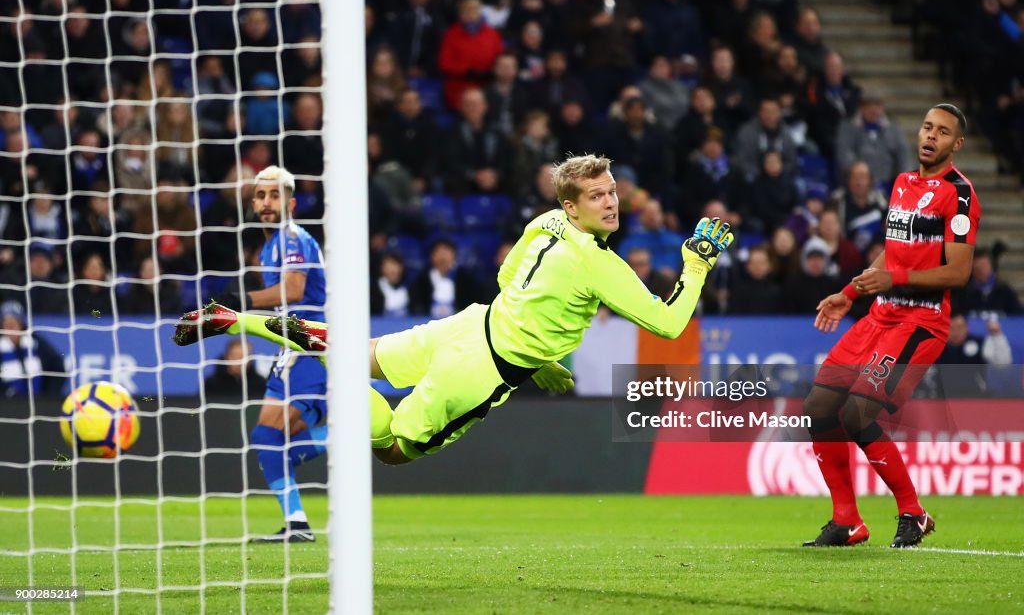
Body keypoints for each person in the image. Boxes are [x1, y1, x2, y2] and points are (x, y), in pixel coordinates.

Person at [175, 155, 734, 469]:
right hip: (484, 370)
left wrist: (538, 345)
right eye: (596, 196)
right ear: (573, 205)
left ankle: (239, 321)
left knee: (363, 355)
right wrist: (695, 265)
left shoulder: (544, 223)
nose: (610, 202)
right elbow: (667, 322)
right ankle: (328, 375)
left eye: (612, 191)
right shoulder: (602, 266)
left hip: (472, 322)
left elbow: (506, 278)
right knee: (393, 449)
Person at [802, 104, 980, 548]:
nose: (930, 136)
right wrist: (850, 292)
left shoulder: (959, 195)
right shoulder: (903, 183)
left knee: (858, 414)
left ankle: (913, 513)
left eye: (942, 132)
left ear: (956, 144)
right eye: (926, 127)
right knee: (820, 407)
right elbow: (892, 253)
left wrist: (893, 279)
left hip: (920, 323)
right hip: (879, 316)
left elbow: (958, 272)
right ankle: (847, 521)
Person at [209, 165, 328, 544]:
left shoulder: (293, 238)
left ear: (290, 202)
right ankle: (297, 524)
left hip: (309, 343)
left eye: (274, 195)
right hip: (288, 346)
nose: (266, 202)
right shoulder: (268, 247)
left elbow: (294, 290)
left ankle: (299, 521)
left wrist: (240, 304)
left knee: (269, 437)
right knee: (269, 441)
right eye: (260, 196)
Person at [1, 300, 65, 397]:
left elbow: (58, 368)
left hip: (40, 403)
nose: (11, 328)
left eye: (14, 323)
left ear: (21, 324)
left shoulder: (36, 343)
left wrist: (48, 395)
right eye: (7, 324)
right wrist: (7, 393)